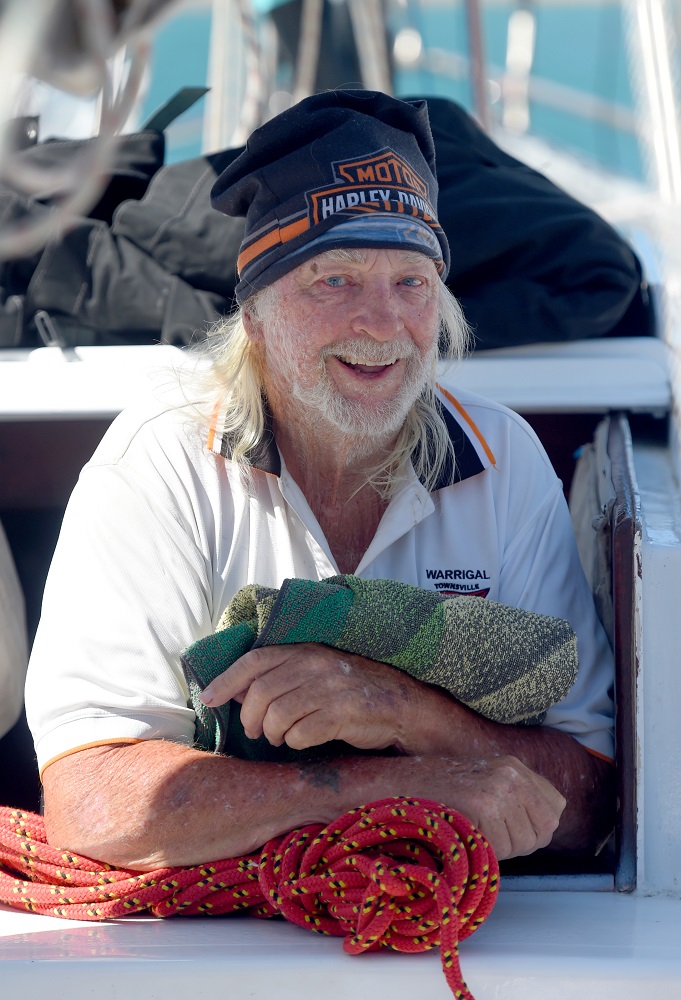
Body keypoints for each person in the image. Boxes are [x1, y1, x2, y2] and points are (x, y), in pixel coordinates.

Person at [25, 90, 614, 870]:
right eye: (333, 281)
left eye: (410, 283)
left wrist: (399, 706)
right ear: (257, 315)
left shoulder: (501, 459)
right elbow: (90, 799)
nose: (380, 322)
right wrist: (387, 789)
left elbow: (593, 799)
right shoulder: (160, 460)